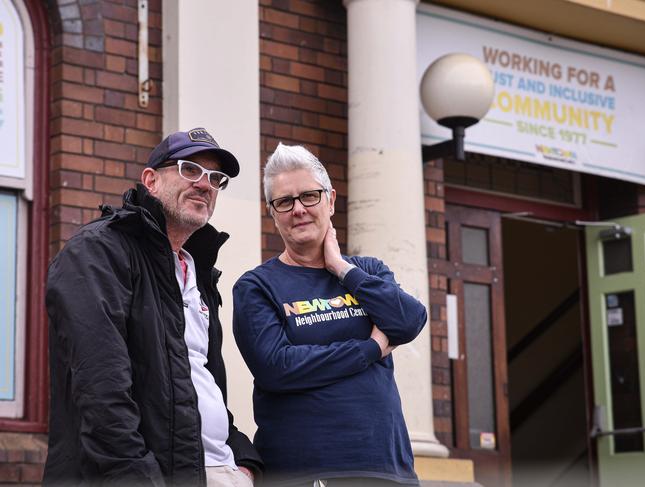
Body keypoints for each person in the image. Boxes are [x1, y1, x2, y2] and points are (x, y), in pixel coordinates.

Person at [44, 128, 263, 486]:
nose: (205, 185)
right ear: (151, 180)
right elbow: (101, 391)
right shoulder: (98, 253)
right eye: (190, 169)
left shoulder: (199, 271)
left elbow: (203, 382)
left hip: (221, 472)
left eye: (216, 178)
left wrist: (243, 460)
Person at [232, 143, 427, 486]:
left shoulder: (368, 271)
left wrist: (341, 269)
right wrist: (369, 349)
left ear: (331, 200)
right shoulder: (257, 286)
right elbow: (277, 367)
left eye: (309, 196)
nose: (298, 209)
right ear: (273, 213)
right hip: (302, 471)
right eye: (285, 201)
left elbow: (409, 321)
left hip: (385, 468)